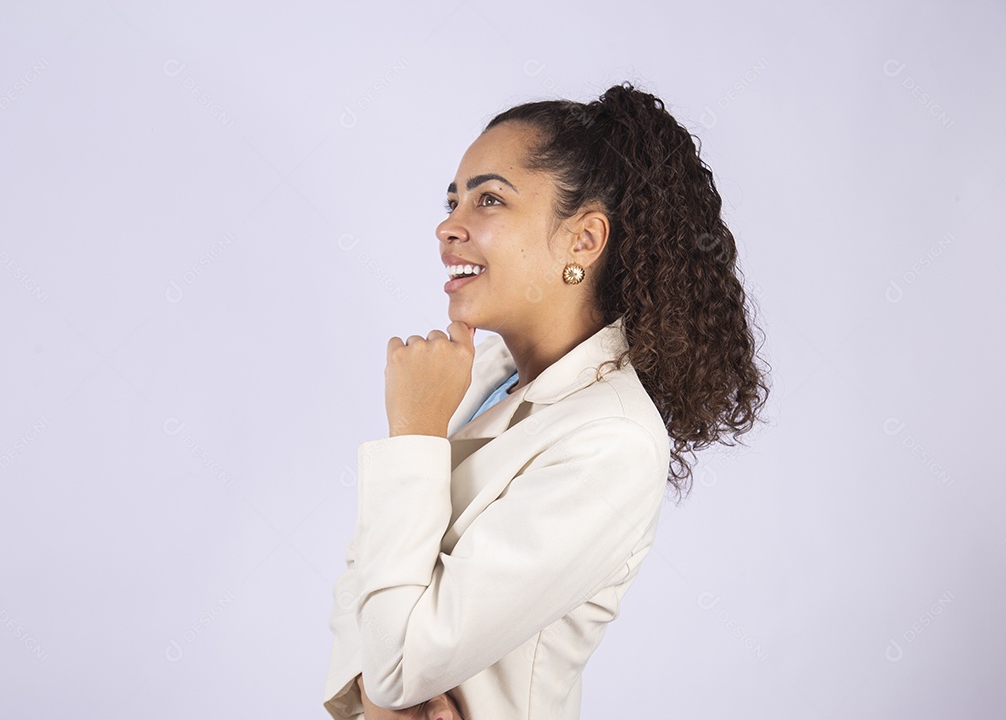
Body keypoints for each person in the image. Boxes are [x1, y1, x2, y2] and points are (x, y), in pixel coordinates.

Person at [322, 81, 770, 719]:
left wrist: (414, 433)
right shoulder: (482, 377)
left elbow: (396, 661)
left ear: (584, 240)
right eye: (453, 201)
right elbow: (361, 572)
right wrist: (378, 701)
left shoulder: (613, 441)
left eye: (490, 200)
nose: (449, 226)